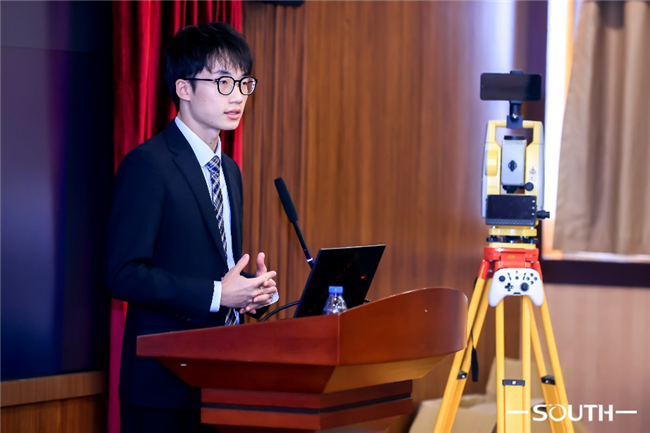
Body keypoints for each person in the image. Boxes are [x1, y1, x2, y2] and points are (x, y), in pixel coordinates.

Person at [106, 22, 278, 433]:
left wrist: (249, 293)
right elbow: (122, 274)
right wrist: (218, 294)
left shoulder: (229, 171)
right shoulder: (148, 164)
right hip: (163, 385)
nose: (237, 96)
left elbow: (211, 263)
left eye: (244, 83)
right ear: (183, 88)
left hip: (222, 378)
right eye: (223, 82)